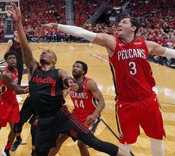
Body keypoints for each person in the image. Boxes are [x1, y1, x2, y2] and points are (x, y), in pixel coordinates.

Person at [43, 17, 175, 156]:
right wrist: (57, 26)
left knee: (156, 138)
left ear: (133, 28)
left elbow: (169, 52)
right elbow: (83, 33)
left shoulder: (146, 45)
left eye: (124, 22)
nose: (119, 24)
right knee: (125, 143)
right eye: (119, 22)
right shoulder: (112, 42)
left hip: (148, 100)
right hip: (126, 103)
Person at [8, 3, 128, 156]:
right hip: (44, 121)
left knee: (94, 143)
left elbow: (66, 79)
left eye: (48, 52)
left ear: (54, 60)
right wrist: (18, 22)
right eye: (43, 52)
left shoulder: (58, 72)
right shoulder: (33, 68)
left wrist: (71, 83)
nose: (44, 53)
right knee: (40, 153)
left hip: (62, 117)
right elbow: (25, 47)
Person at [49, 60, 105, 156]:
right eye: (74, 66)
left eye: (78, 67)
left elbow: (102, 102)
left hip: (89, 117)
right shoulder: (70, 82)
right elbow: (64, 93)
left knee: (81, 142)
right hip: (75, 115)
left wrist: (95, 115)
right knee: (59, 138)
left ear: (83, 71)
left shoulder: (89, 83)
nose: (75, 68)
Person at [0, 51, 29, 156]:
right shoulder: (5, 74)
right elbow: (17, 89)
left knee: (15, 127)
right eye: (10, 58)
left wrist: (30, 86)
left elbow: (18, 88)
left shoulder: (16, 71)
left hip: (13, 102)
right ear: (6, 61)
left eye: (14, 58)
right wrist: (33, 88)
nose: (13, 60)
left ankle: (6, 150)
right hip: (2, 103)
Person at [5, 30, 24, 103]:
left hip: (20, 62)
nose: (18, 33)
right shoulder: (11, 41)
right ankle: (12, 94)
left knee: (20, 77)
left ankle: (17, 93)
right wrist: (6, 63)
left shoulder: (22, 41)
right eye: (16, 32)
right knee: (14, 79)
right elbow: (6, 52)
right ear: (14, 34)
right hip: (13, 63)